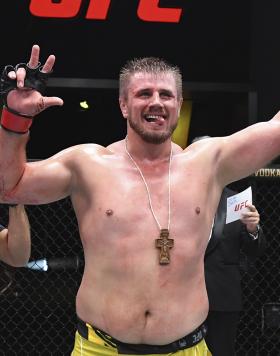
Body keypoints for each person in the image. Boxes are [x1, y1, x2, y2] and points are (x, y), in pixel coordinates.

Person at [0, 45, 280, 356]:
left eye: (166, 94)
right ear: (123, 104)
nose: (156, 102)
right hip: (99, 349)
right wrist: (16, 116)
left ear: (179, 103)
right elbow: (9, 189)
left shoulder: (209, 162)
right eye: (144, 93)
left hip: (188, 348)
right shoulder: (88, 164)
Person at [191, 136, 267, 355]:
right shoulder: (173, 198)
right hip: (180, 296)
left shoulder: (237, 201)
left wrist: (253, 230)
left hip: (222, 296)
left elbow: (255, 250)